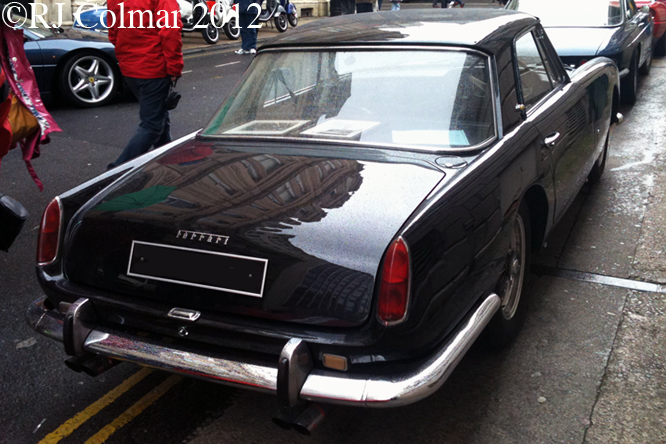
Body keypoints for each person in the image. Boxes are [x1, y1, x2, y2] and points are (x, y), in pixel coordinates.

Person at [107, 0, 184, 169]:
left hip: (130, 67)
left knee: (159, 115)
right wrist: (174, 67)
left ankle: (167, 162)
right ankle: (117, 170)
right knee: (153, 125)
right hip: (152, 67)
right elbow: (170, 30)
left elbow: (113, 31)